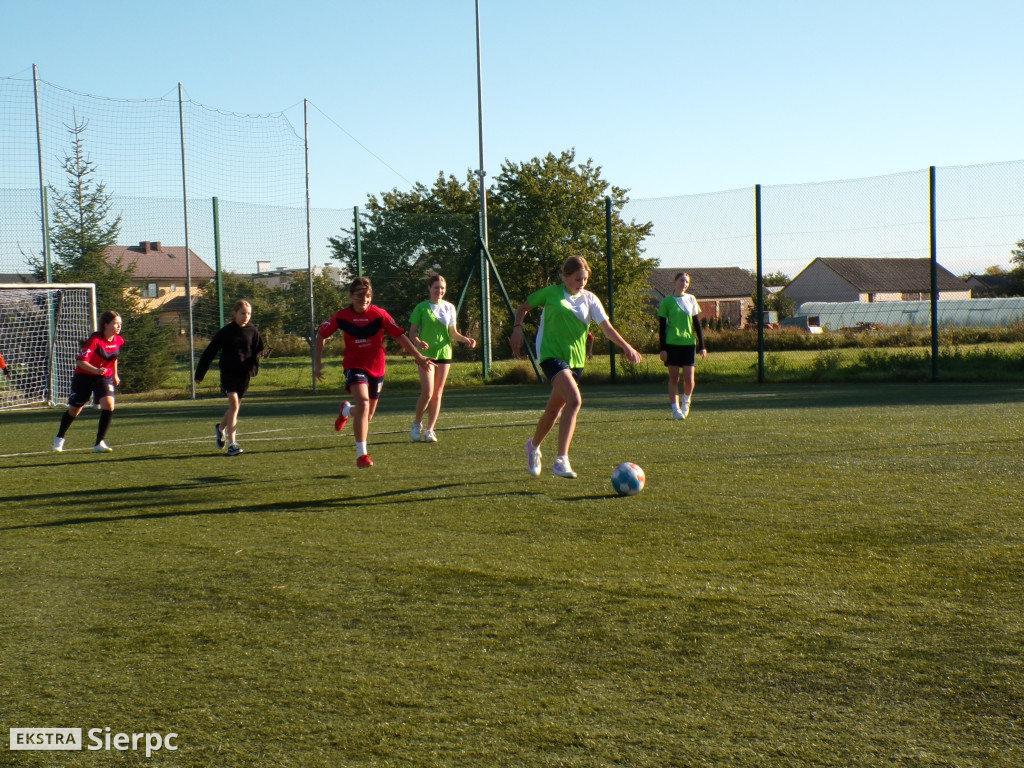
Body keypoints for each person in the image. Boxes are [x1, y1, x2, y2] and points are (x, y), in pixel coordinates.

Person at [510, 256, 642, 479]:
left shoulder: (590, 299)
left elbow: (606, 327)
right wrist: (516, 328)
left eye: (585, 279)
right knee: (575, 400)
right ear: (565, 276)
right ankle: (561, 460)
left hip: (576, 361)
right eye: (578, 278)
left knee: (553, 411)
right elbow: (523, 308)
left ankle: (533, 447)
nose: (582, 283)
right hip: (551, 356)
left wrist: (626, 347)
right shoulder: (551, 293)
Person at [314, 276, 434, 468]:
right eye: (360, 295)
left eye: (368, 296)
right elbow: (321, 335)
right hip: (354, 366)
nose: (364, 299)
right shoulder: (341, 316)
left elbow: (400, 336)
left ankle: (346, 410)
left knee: (366, 415)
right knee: (362, 403)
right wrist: (317, 364)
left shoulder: (379, 314)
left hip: (376, 368)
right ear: (351, 296)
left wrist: (418, 357)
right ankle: (362, 455)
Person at [408, 273, 476, 442]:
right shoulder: (421, 307)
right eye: (436, 287)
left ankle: (430, 430)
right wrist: (418, 343)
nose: (439, 290)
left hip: (445, 354)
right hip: (426, 356)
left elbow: (453, 333)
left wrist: (466, 339)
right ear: (429, 288)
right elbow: (412, 332)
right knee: (427, 393)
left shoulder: (449, 307)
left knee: (438, 394)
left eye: (442, 288)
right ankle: (417, 424)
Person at [194, 299, 265, 456]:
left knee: (235, 407)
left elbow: (258, 350)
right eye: (242, 313)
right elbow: (209, 353)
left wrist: (254, 365)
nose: (246, 316)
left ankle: (220, 429)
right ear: (234, 313)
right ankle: (233, 444)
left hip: (244, 374)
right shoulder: (226, 332)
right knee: (233, 404)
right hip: (228, 373)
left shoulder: (253, 331)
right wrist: (199, 375)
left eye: (249, 314)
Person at [52, 311, 124, 453]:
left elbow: (113, 358)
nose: (118, 326)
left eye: (120, 324)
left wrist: (115, 375)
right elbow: (80, 362)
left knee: (109, 405)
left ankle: (99, 443)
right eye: (115, 323)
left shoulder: (119, 340)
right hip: (84, 376)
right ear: (106, 324)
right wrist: (96, 370)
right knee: (74, 410)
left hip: (103, 377)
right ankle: (60, 437)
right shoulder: (95, 340)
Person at [657, 272, 707, 419]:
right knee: (673, 379)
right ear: (675, 282)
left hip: (688, 344)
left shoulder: (691, 299)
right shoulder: (667, 302)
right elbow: (661, 328)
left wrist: (702, 346)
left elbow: (697, 324)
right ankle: (675, 409)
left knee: (689, 379)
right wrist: (663, 349)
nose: (684, 284)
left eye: (687, 282)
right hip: (672, 344)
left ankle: (686, 402)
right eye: (681, 281)